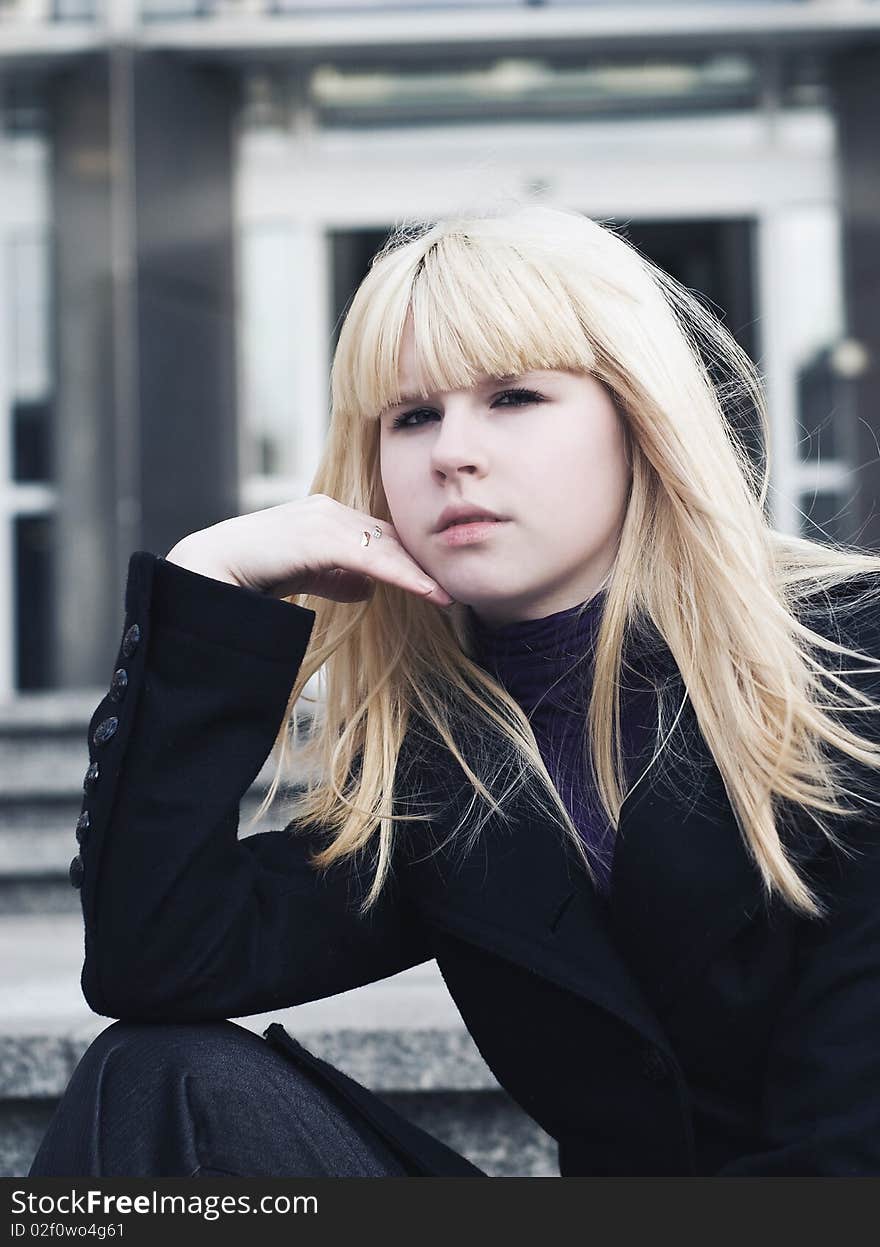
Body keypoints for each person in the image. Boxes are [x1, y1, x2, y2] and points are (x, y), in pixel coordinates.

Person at [29, 203, 880, 1178]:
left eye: (512, 396)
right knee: (163, 1074)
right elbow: (156, 958)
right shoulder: (449, 759)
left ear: (640, 417)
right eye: (414, 415)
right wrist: (206, 586)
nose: (450, 452)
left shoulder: (851, 661)